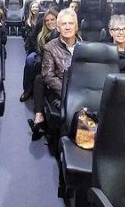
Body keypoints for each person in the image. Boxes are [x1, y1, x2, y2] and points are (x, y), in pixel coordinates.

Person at [36, 9, 81, 141]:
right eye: (64, 24)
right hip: (60, 93)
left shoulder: (86, 47)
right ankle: (66, 149)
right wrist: (69, 93)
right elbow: (48, 75)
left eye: (71, 23)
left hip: (84, 92)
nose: (68, 27)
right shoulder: (50, 47)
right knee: (74, 113)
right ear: (58, 27)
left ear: (76, 26)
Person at [21, 9, 58, 103]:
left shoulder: (60, 32)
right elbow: (34, 41)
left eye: (52, 19)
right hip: (40, 53)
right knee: (30, 60)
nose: (49, 22)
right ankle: (27, 90)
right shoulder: (42, 32)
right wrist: (38, 53)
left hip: (55, 58)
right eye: (47, 20)